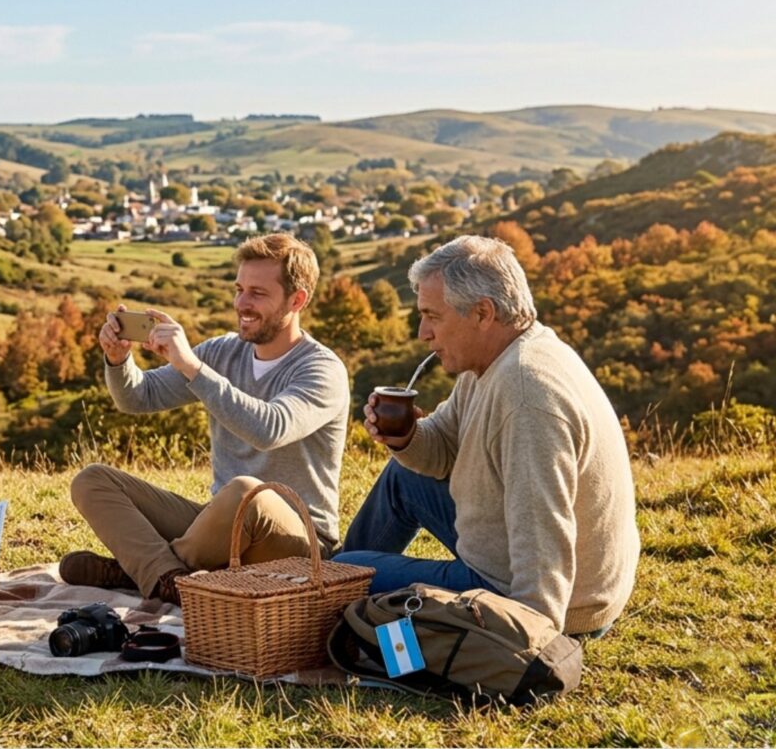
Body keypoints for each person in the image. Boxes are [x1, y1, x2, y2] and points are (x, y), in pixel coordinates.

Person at [332, 235, 639, 637]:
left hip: (541, 598)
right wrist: (406, 436)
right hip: (516, 555)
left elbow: (543, 532)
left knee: (351, 578)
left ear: (482, 312)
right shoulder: (495, 361)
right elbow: (441, 448)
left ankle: (329, 589)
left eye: (433, 316)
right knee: (402, 478)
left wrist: (531, 635)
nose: (423, 333)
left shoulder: (526, 396)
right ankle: (330, 579)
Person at [60, 234, 350, 604]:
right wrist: (119, 360)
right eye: (239, 289)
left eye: (258, 293)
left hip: (298, 543)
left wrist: (191, 366)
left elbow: (269, 429)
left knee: (248, 492)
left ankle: (140, 571)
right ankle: (169, 577)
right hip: (219, 523)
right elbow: (138, 397)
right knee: (93, 480)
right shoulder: (222, 352)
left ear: (297, 300)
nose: (242, 303)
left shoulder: (321, 370)